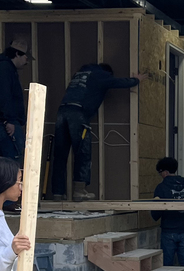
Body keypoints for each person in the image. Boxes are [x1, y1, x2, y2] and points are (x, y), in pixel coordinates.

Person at [51, 63, 145, 202]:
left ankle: (58, 193)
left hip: (62, 112)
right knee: (83, 153)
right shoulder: (101, 75)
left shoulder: (80, 75)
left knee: (60, 155)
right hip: (78, 114)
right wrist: (136, 80)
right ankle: (79, 191)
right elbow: (119, 82)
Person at [0, 39, 32, 161]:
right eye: (26, 57)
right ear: (17, 54)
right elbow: (5, 95)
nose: (27, 61)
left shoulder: (0, 68)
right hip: (4, 124)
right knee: (12, 163)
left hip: (1, 122)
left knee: (4, 164)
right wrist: (10, 120)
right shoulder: (5, 69)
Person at [152, 157, 184, 271]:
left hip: (168, 230)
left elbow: (155, 212)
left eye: (160, 173)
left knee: (167, 264)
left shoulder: (161, 188)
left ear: (165, 172)